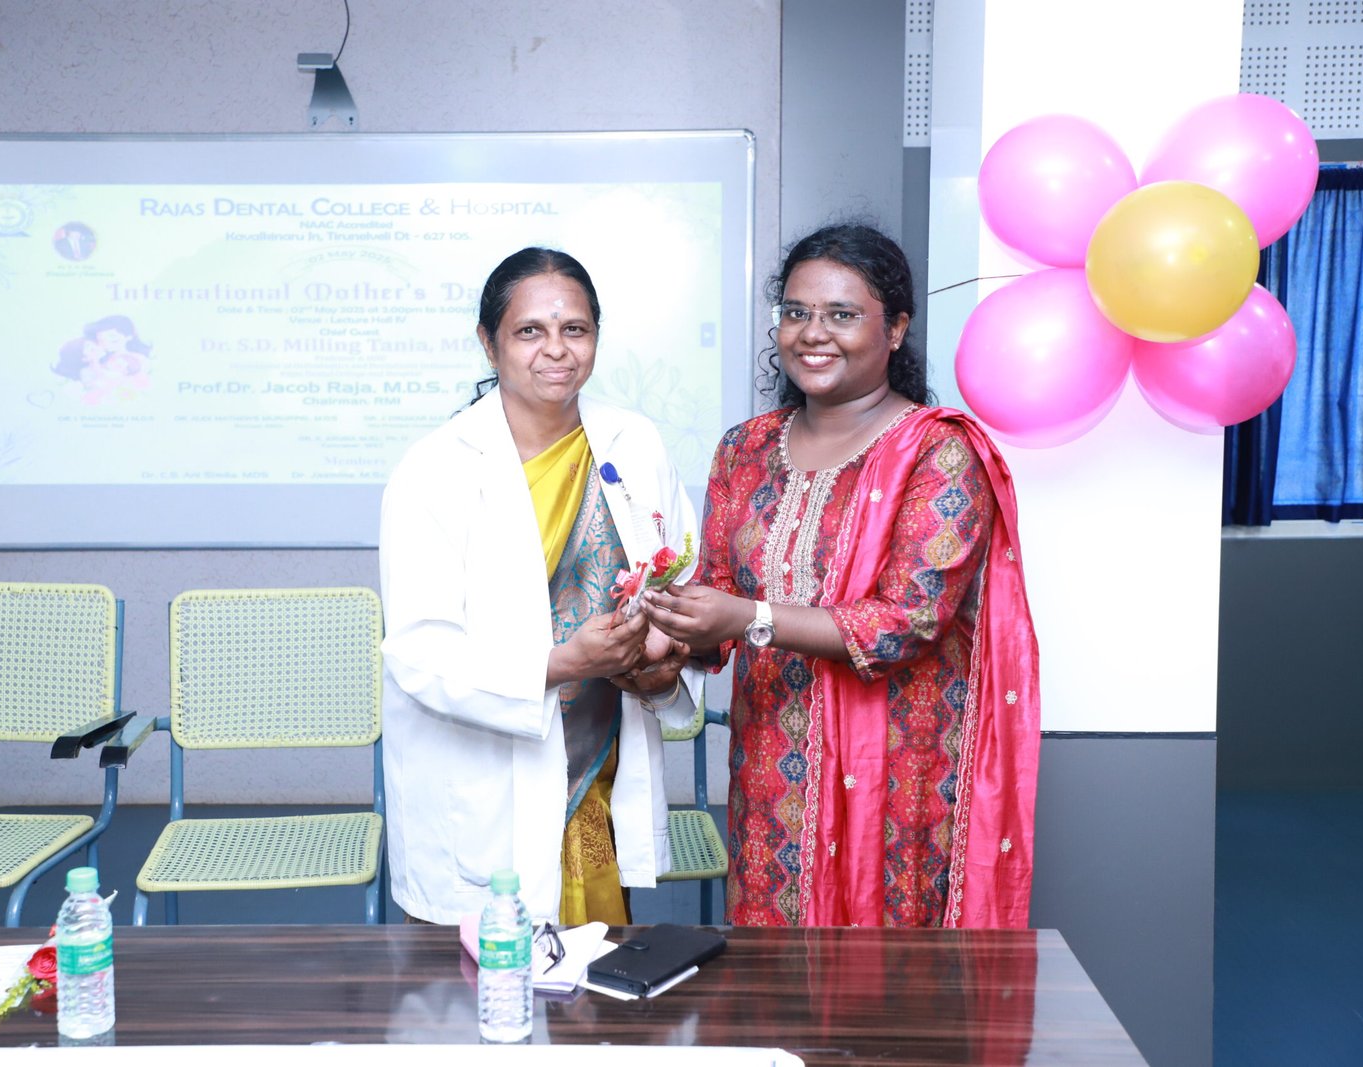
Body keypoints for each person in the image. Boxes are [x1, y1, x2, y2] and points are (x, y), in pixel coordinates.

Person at [644, 223, 1040, 929]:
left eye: (842, 314)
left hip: (896, 784)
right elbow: (717, 606)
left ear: (896, 329)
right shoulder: (745, 449)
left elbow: (908, 622)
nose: (813, 333)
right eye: (796, 312)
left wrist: (746, 617)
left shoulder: (939, 452)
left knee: (881, 980)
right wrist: (660, 636)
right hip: (771, 777)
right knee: (770, 971)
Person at [379, 247, 702, 926]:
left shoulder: (634, 443)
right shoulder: (435, 469)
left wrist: (662, 664)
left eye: (574, 329)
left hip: (598, 763)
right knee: (482, 975)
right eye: (530, 330)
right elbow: (420, 653)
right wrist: (560, 664)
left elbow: (681, 582)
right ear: (488, 342)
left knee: (602, 975)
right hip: (486, 780)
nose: (556, 349)